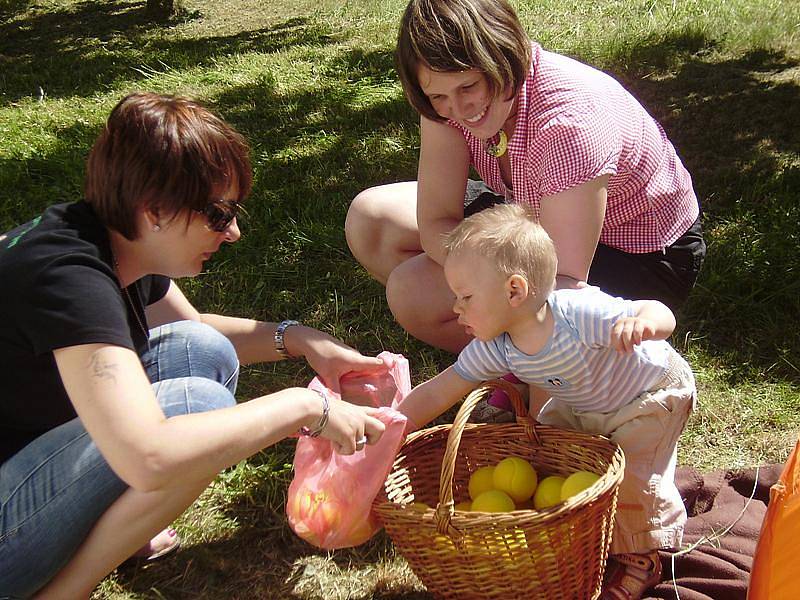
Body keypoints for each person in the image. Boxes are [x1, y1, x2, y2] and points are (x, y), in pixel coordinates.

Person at [0, 92, 388, 599]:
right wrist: (302, 406)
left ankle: (112, 529)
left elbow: (197, 331)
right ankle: (63, 590)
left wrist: (302, 340)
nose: (233, 232)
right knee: (195, 410)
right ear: (155, 209)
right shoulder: (69, 281)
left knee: (199, 351)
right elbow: (149, 458)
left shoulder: (106, 236)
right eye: (218, 213)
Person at [345, 0, 705, 352]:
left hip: (635, 256)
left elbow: (561, 281)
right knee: (371, 220)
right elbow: (436, 219)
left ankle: (529, 369)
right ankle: (509, 348)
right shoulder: (448, 104)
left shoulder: (569, 121)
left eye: (468, 87)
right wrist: (477, 279)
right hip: (531, 211)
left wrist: (479, 282)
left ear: (503, 54)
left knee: (412, 292)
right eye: (438, 95)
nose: (457, 109)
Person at [396, 203, 697, 600]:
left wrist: (644, 323)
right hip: (588, 401)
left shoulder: (576, 314)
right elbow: (440, 389)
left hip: (649, 396)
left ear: (514, 290)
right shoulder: (496, 347)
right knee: (547, 436)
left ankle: (643, 556)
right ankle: (585, 523)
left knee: (636, 481)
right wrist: (389, 427)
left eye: (465, 296)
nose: (456, 308)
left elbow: (658, 311)